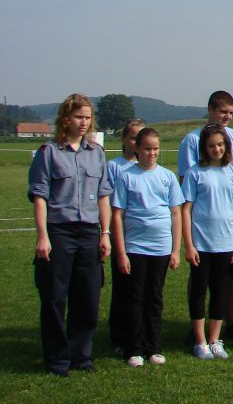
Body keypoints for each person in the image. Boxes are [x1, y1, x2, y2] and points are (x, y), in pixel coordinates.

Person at [28, 94, 112, 377]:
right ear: (66, 119)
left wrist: (106, 233)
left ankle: (81, 356)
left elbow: (103, 197)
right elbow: (40, 197)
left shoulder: (97, 153)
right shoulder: (48, 153)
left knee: (87, 298)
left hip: (89, 232)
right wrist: (43, 236)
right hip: (59, 232)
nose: (84, 122)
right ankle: (57, 359)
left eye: (88, 117)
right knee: (54, 298)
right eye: (79, 117)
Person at [177, 90, 233, 340]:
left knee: (230, 275)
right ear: (210, 110)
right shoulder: (191, 140)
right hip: (202, 225)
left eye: (231, 113)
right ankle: (196, 326)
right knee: (199, 278)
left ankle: (231, 322)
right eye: (223, 112)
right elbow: (187, 181)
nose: (227, 117)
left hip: (230, 223)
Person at [112, 127, 184, 366]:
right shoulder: (126, 176)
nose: (151, 153)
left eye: (155, 149)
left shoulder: (167, 176)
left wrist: (175, 250)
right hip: (135, 247)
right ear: (137, 148)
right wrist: (121, 252)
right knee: (135, 298)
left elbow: (176, 213)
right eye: (147, 149)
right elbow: (118, 215)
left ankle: (154, 347)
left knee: (154, 297)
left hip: (161, 248)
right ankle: (134, 349)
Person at [181, 123, 233, 360]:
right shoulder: (195, 173)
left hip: (225, 243)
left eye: (220, 144)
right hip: (201, 243)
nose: (216, 149)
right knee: (198, 291)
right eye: (211, 145)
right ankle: (200, 341)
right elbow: (186, 210)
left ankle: (216, 340)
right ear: (204, 148)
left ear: (226, 146)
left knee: (219, 291)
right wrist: (189, 244)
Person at [107, 118, 145, 352]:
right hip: (123, 237)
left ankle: (140, 332)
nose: (137, 142)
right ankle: (119, 335)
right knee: (123, 288)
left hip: (144, 239)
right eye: (133, 137)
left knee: (143, 290)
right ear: (124, 139)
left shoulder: (148, 167)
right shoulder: (115, 167)